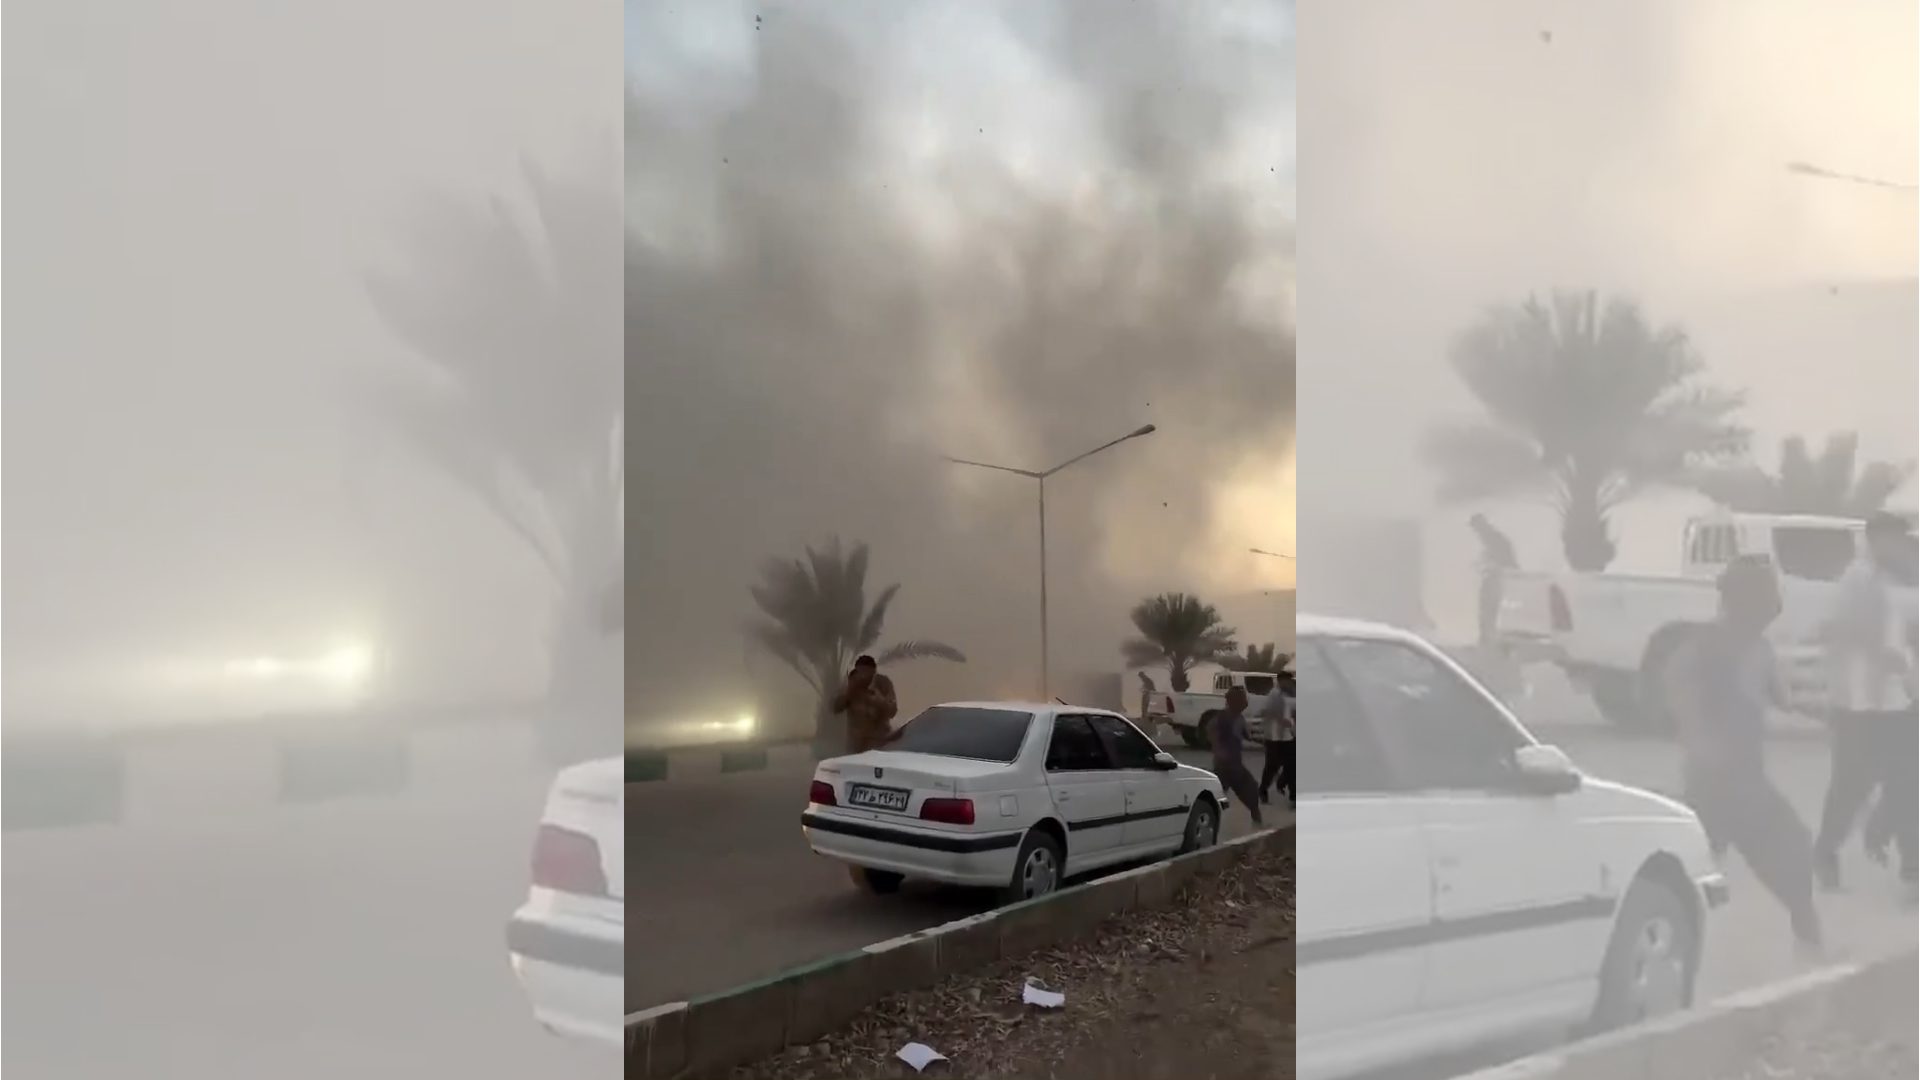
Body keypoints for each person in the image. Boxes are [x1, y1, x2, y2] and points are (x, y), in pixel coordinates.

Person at [1664, 554, 1823, 954]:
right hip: (1715, 781)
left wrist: (1830, 713)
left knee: (1788, 848)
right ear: (1742, 600)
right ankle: (1809, 942)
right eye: (1767, 595)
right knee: (1702, 867)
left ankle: (1809, 941)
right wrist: (1701, 743)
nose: (1775, 605)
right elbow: (1679, 694)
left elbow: (1781, 697)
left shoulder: (1760, 648)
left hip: (1745, 777)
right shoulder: (1704, 646)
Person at [1811, 512, 1915, 892]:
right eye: (1892, 539)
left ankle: (1912, 869)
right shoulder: (1857, 578)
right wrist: (1881, 654)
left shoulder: (1902, 576)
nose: (1899, 547)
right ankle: (1825, 850)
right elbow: (1837, 626)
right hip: (1857, 702)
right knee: (1850, 786)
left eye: (1902, 540)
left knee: (1907, 782)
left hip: (1897, 701)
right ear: (1874, 540)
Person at [1211, 687, 1265, 828]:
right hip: (1224, 766)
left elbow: (1247, 735)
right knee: (1217, 796)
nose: (1245, 703)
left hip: (1235, 764)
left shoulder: (1239, 718)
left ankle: (1258, 822)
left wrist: (1264, 741)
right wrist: (1219, 752)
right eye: (1243, 699)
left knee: (1251, 789)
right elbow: (1213, 733)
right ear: (1233, 701)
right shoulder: (1223, 717)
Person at [831, 655, 898, 754]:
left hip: (879, 742)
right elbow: (836, 708)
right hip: (856, 744)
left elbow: (892, 711)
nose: (863, 676)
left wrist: (879, 701)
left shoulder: (883, 684)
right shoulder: (851, 683)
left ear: (874, 672)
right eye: (860, 672)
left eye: (867, 672)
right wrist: (850, 692)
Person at [1471, 513, 1519, 648]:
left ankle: (1490, 639)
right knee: (1489, 609)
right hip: (1496, 578)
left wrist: (1489, 566)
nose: (1476, 532)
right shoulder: (1491, 538)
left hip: (1498, 578)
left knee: (1491, 608)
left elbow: (1504, 560)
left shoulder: (1493, 539)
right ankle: (1488, 638)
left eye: (1476, 527)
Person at [1257, 671, 1296, 808]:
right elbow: (1267, 711)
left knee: (1292, 766)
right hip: (1273, 737)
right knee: (1272, 766)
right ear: (1280, 681)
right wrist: (1282, 721)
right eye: (1287, 681)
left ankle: (1294, 796)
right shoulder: (1274, 694)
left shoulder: (1289, 693)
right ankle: (1263, 790)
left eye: (1290, 681)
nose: (1289, 683)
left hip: (1287, 736)